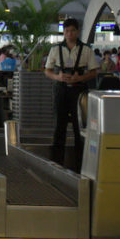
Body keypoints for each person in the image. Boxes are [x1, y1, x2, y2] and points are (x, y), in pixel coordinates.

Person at [45, 18, 99, 170]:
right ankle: (56, 165)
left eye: (73, 31)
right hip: (61, 89)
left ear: (78, 31)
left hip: (79, 90)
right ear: (64, 32)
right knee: (59, 127)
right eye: (67, 31)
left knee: (79, 128)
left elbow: (94, 72)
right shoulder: (55, 49)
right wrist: (58, 77)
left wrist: (80, 78)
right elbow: (47, 71)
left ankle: (80, 167)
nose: (70, 34)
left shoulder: (86, 49)